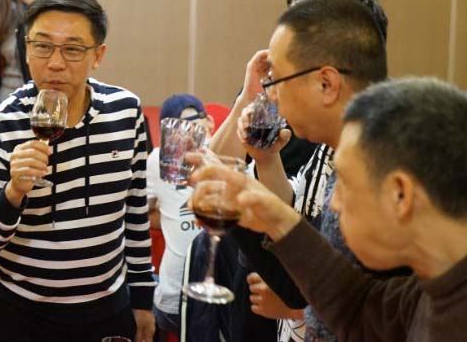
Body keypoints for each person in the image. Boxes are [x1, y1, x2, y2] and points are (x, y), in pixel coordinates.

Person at [191, 77, 467, 341]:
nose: (334, 203)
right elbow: (353, 306)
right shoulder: (425, 294)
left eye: (344, 183)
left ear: (400, 194)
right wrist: (272, 216)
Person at [203, 0, 392, 342]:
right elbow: (301, 223)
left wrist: (241, 201)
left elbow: (364, 301)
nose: (271, 94)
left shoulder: (381, 163)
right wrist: (264, 164)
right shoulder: (334, 146)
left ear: (327, 81)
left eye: (280, 79)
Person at [0, 0, 156, 342]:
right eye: (42, 46)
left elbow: (135, 212)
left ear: (98, 55)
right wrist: (13, 193)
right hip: (20, 314)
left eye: (73, 49)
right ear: (26, 48)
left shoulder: (126, 113)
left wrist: (143, 298)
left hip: (107, 309)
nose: (54, 63)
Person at [146, 94, 213, 338]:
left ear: (209, 122)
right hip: (175, 293)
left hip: (217, 288)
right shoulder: (159, 160)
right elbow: (141, 212)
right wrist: (170, 216)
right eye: (176, 126)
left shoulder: (226, 155)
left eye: (193, 121)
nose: (186, 132)